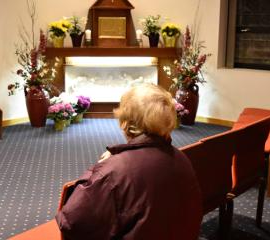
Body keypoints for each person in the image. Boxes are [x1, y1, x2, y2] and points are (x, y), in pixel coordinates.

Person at [56, 84, 203, 240]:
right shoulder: (181, 158)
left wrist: (99, 167)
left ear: (124, 123)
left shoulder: (113, 171)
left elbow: (71, 222)